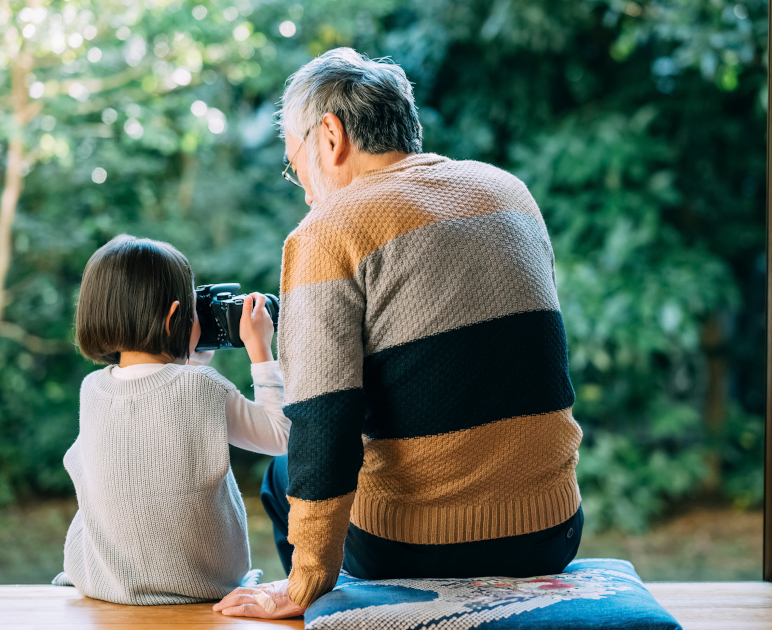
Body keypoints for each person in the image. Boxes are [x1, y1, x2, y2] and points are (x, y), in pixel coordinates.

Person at [214, 48, 583, 620]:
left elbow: (321, 421)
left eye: (297, 168)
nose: (306, 192)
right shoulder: (510, 193)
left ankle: (339, 615)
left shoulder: (327, 231)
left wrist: (305, 580)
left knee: (283, 473)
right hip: (552, 532)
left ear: (330, 136)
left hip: (418, 547)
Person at [54, 235, 290, 605]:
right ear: (173, 317)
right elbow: (280, 437)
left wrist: (190, 363)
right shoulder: (204, 387)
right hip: (203, 582)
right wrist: (260, 349)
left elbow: (158, 409)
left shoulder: (92, 388)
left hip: (106, 581)